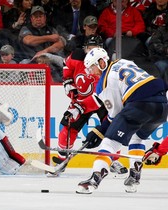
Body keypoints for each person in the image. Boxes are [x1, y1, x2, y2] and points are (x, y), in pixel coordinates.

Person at [71, 47, 168, 194]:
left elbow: (115, 114)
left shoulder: (104, 83)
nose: (90, 72)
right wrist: (99, 130)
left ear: (101, 62)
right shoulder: (122, 62)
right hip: (162, 106)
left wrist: (99, 132)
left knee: (109, 142)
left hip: (141, 104)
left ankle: (94, 179)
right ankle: (134, 176)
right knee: (137, 137)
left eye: (91, 67)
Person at [49, 35, 127, 177]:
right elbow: (67, 68)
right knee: (69, 124)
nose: (92, 51)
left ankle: (113, 159)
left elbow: (99, 96)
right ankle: (62, 160)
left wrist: (80, 107)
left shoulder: (105, 65)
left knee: (112, 128)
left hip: (102, 101)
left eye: (95, 48)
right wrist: (68, 83)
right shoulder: (78, 56)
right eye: (89, 48)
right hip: (81, 99)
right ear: (85, 48)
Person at [147, 9, 168, 84]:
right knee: (161, 66)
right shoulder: (161, 30)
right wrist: (165, 50)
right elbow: (154, 44)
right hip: (163, 58)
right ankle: (158, 87)